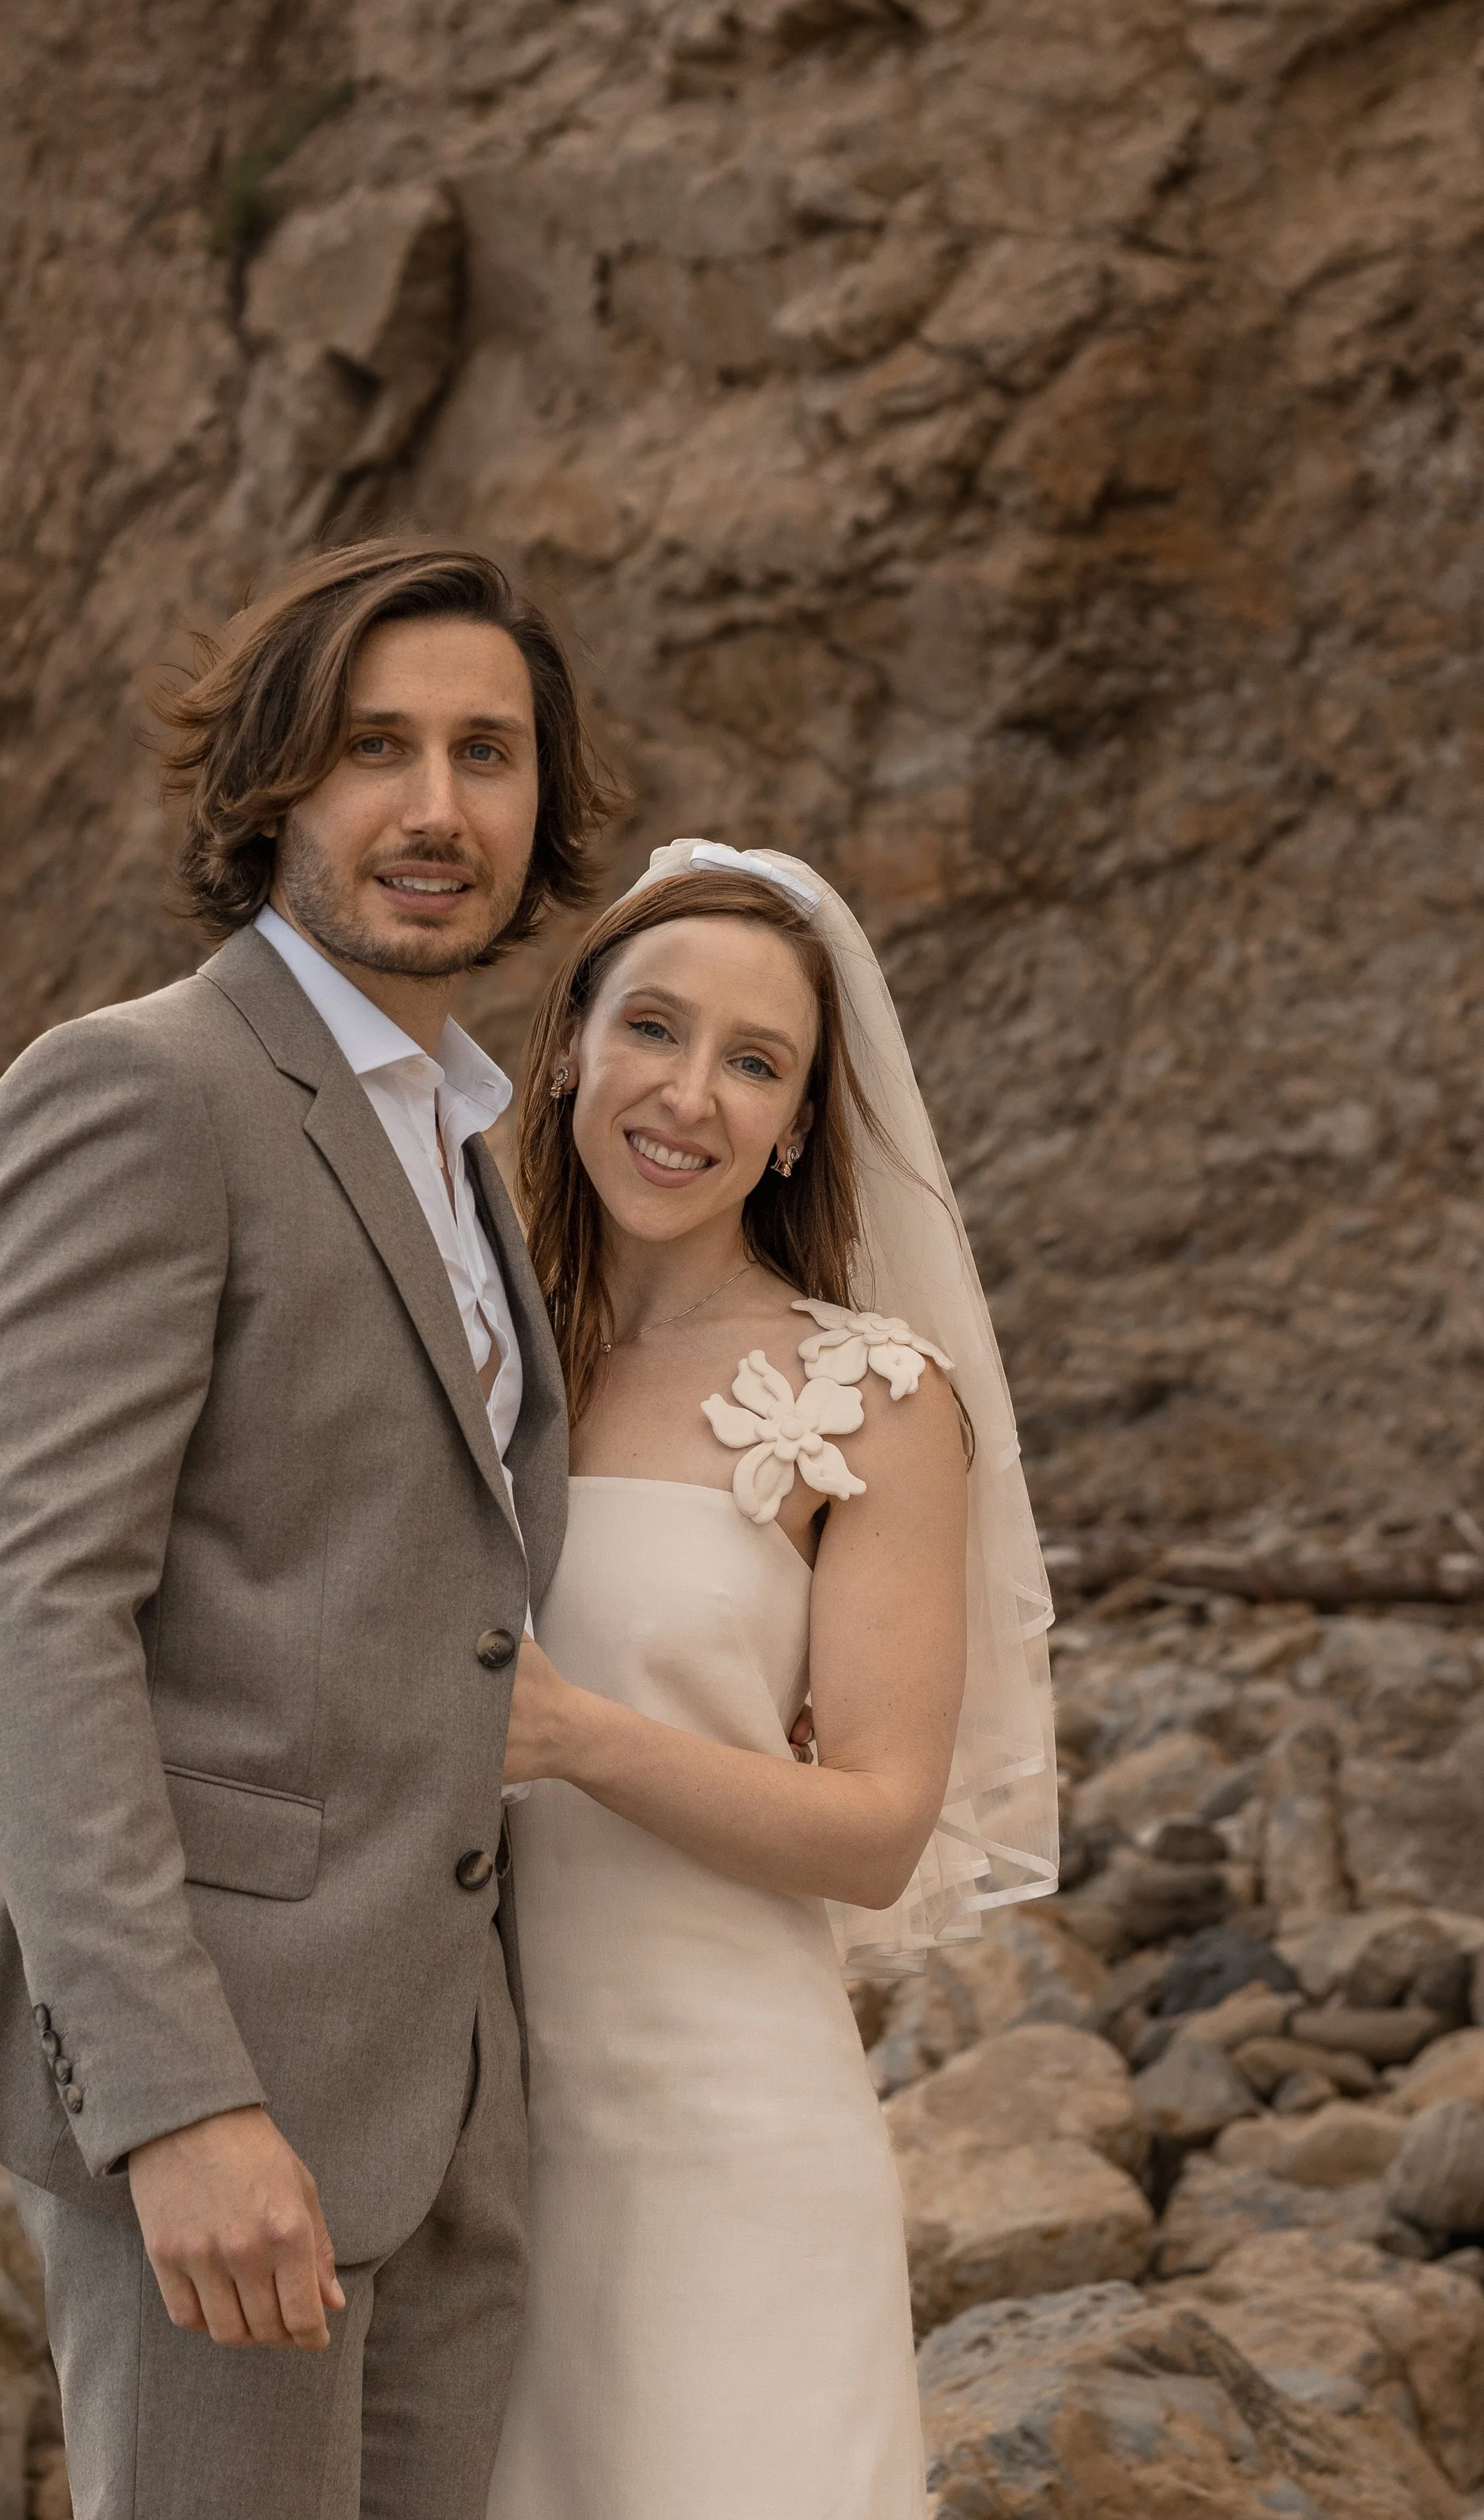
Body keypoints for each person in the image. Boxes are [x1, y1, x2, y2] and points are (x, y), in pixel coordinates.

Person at [0, 541, 617, 2519]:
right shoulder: (145, 1089)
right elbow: (32, 1606)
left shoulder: (458, 1135)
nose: (435, 806)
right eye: (373, 746)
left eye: (489, 753)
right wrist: (175, 2100)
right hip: (230, 2103)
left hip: (448, 2093)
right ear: (269, 789)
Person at [486, 840, 1058, 2520]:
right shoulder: (468, 1345)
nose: (688, 1096)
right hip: (473, 2145)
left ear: (801, 1122)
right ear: (572, 1046)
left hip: (727, 2137)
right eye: (652, 1032)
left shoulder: (870, 1393)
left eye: (754, 1064)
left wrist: (574, 1737)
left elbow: (879, 1826)